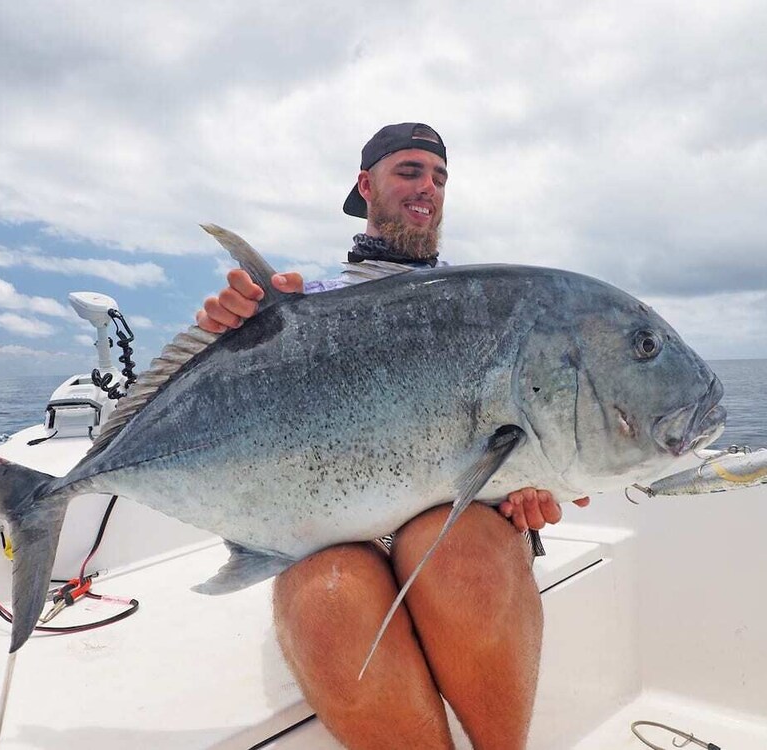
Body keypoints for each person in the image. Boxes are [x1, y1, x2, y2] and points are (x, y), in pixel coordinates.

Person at [197, 123, 589, 749]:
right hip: (333, 526)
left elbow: (518, 429)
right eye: (409, 171)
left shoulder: (485, 308)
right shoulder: (305, 309)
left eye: (439, 177)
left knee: (453, 547)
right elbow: (252, 421)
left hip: (454, 518)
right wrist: (231, 334)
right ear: (366, 184)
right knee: (326, 598)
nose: (427, 188)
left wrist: (533, 485)